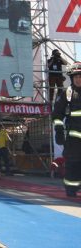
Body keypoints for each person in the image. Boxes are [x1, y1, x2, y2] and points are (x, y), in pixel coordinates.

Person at [52, 61, 81, 197]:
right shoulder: (67, 94)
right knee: (72, 164)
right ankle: (71, 188)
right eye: (76, 77)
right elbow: (57, 114)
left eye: (80, 76)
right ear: (72, 78)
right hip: (73, 139)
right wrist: (58, 130)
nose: (78, 79)